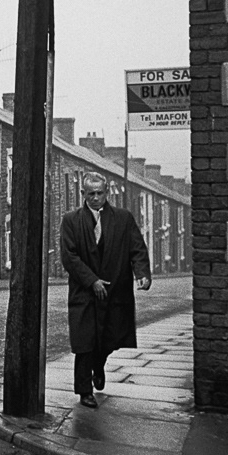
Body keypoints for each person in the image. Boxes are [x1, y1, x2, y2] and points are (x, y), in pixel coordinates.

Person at [60, 171, 152, 408]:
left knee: (109, 341)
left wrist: (142, 274)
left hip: (115, 292)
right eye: (90, 194)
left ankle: (99, 364)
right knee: (84, 343)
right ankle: (84, 391)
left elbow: (137, 249)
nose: (95, 198)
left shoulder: (123, 218)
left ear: (107, 192)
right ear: (83, 194)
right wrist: (92, 281)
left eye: (100, 193)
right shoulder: (71, 221)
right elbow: (69, 257)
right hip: (84, 292)